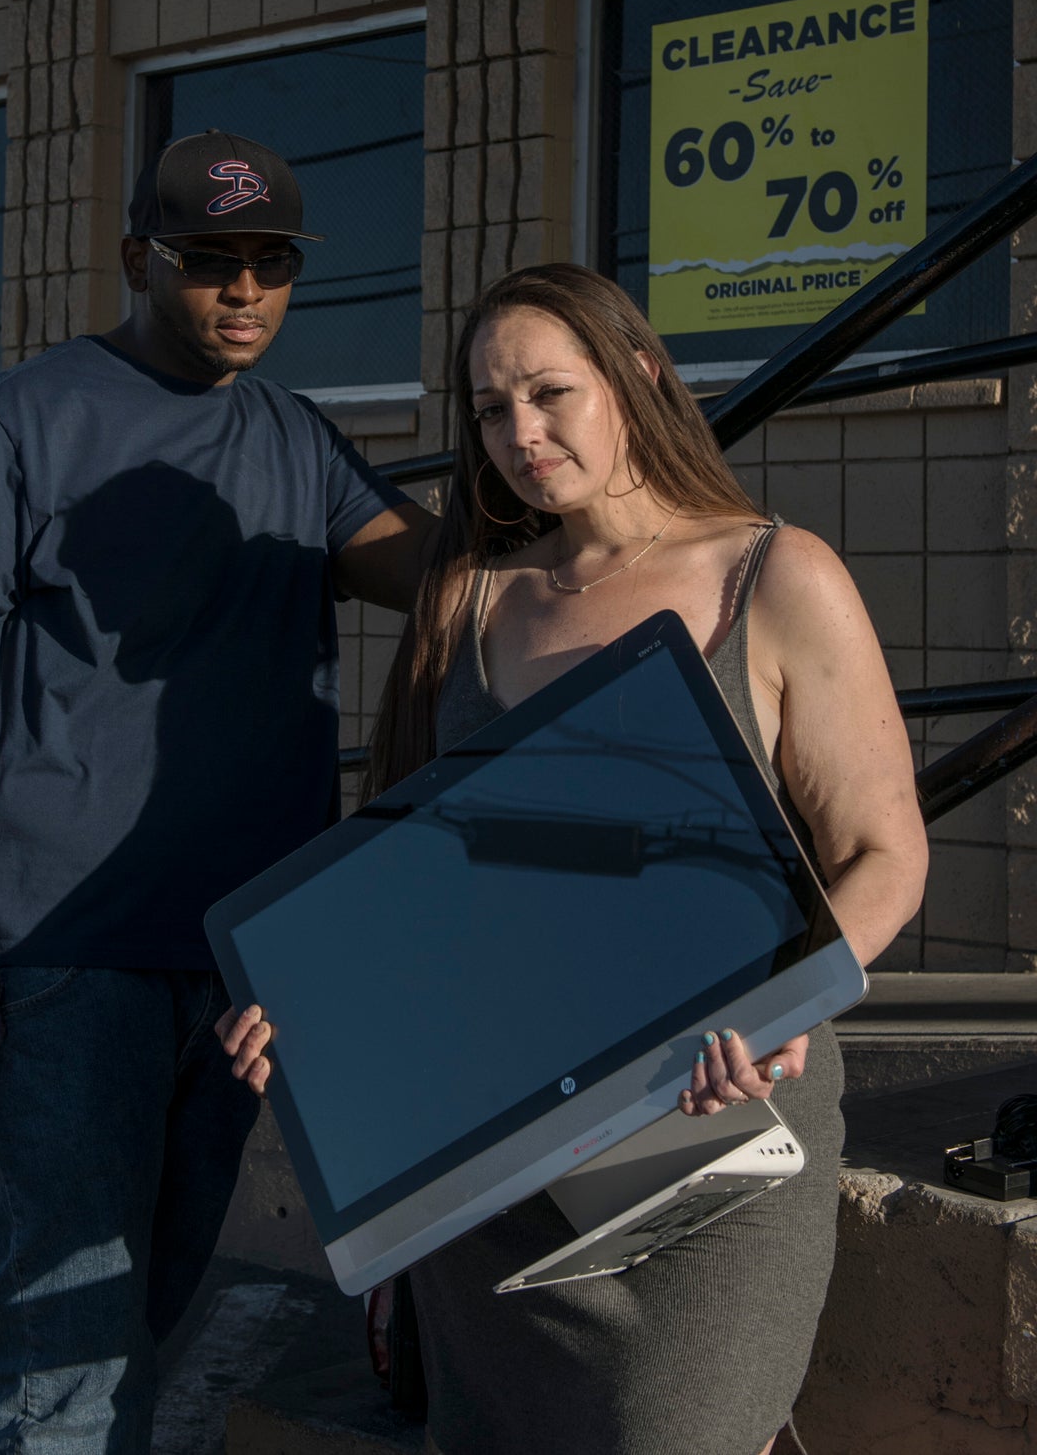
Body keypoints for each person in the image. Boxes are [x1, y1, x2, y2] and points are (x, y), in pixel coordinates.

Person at [221, 262, 928, 1455]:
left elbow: (883, 851)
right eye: (491, 409)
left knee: (678, 1432)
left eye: (550, 393)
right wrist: (308, 1009)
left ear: (638, 376)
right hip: (496, 1143)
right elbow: (411, 883)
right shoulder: (472, 599)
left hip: (718, 1110)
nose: (521, 435)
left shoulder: (773, 573)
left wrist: (785, 994)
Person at [0, 129, 437, 1455]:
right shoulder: (15, 423)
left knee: (144, 1301)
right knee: (67, 1349)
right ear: (137, 258)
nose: (242, 289)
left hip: (238, 962)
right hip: (60, 962)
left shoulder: (297, 440)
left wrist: (630, 508)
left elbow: (447, 578)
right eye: (207, 259)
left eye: (269, 261)